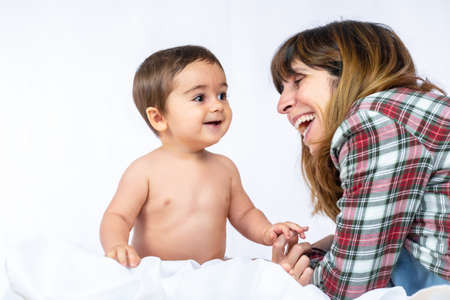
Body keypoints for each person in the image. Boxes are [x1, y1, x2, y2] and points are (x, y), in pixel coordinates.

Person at [270, 20, 449, 299]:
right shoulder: (400, 111)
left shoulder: (375, 120)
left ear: (349, 74)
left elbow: (349, 286)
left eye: (297, 81)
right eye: (281, 89)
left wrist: (295, 277)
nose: (282, 104)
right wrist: (320, 253)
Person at [99, 45, 307, 268]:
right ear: (158, 117)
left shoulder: (224, 169)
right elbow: (117, 216)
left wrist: (267, 231)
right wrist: (117, 245)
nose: (218, 105)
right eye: (200, 98)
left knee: (262, 274)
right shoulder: (144, 171)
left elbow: (245, 214)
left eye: (222, 95)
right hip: (160, 276)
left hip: (210, 275)